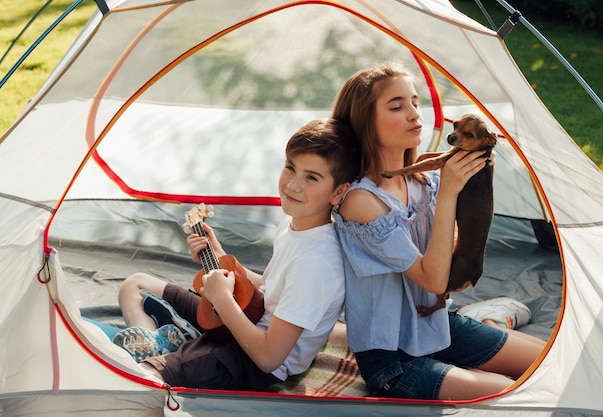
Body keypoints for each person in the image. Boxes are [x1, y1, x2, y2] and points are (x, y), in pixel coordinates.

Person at [330, 62, 546, 401]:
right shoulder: (361, 201)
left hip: (438, 325)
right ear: (363, 121)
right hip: (393, 359)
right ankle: (477, 347)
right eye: (397, 106)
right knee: (520, 394)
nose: (415, 114)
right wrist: (448, 192)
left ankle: (485, 328)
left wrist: (471, 180)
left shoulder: (419, 180)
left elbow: (454, 244)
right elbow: (432, 280)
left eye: (415, 102)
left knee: (550, 361)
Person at [113, 118, 360, 390]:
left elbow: (269, 358)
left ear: (338, 192)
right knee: (135, 285)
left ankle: (165, 354)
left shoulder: (316, 262)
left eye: (311, 177)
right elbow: (270, 290)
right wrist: (221, 257)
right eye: (290, 168)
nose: (293, 186)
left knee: (139, 379)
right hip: (246, 318)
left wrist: (221, 298)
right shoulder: (294, 223)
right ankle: (157, 342)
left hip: (250, 361)